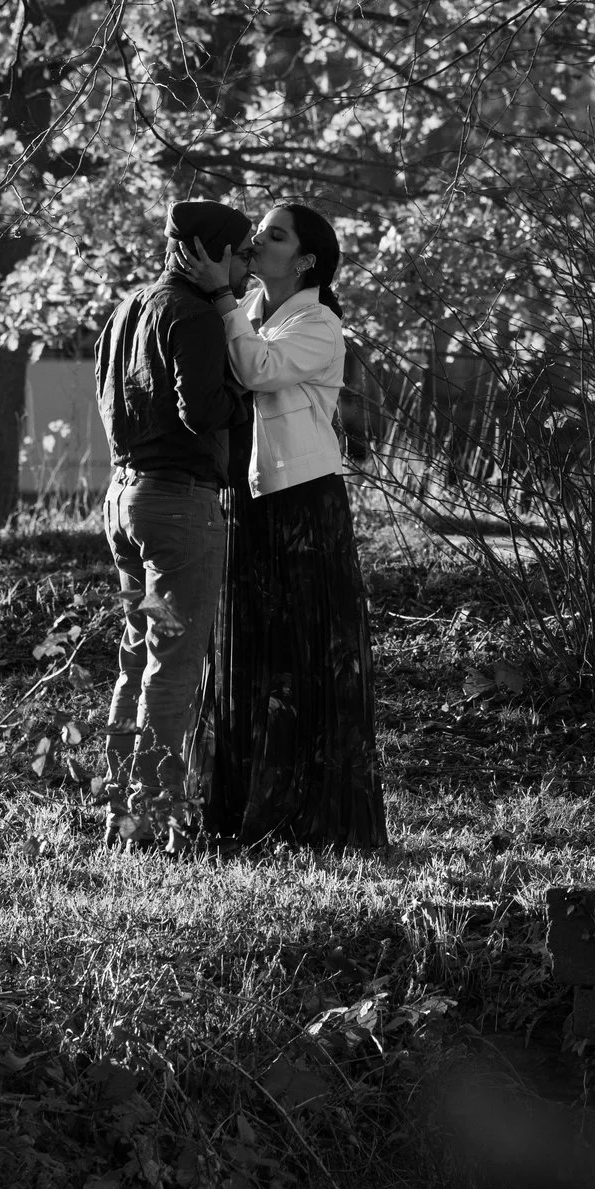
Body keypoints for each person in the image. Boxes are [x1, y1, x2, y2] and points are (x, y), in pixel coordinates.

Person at [183, 203, 387, 851]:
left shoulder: (320, 323)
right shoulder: (243, 312)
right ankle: (244, 811)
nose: (255, 242)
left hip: (304, 504)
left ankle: (315, 819)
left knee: (301, 657)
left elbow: (257, 370)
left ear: (305, 260)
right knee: (248, 653)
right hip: (247, 502)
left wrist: (218, 297)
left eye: (273, 235)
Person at [95, 200, 254, 853]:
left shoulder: (129, 307)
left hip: (123, 497)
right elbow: (204, 410)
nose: (247, 264)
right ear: (209, 251)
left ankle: (118, 815)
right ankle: (152, 820)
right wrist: (253, 389)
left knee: (136, 662)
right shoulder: (193, 315)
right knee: (174, 669)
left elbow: (106, 396)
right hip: (178, 504)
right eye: (241, 251)